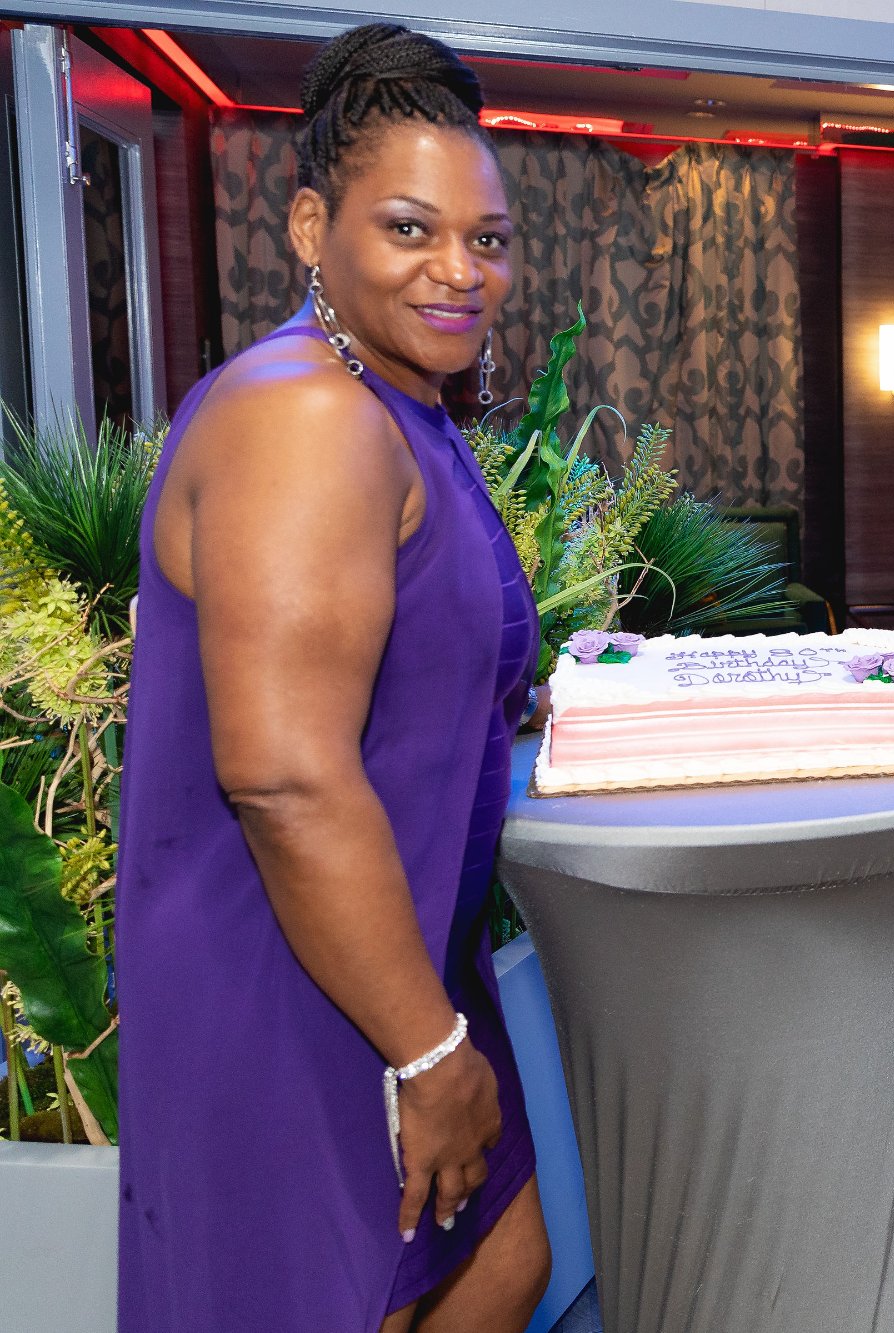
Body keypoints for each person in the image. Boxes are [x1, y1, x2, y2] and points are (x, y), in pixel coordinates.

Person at [118, 24, 551, 1333]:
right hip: (295, 980)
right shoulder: (303, 416)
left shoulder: (398, 402)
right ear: (313, 227)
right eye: (411, 229)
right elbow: (285, 776)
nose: (459, 270)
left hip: (396, 952)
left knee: (499, 1267)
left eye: (487, 239)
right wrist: (427, 1048)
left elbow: (415, 670)